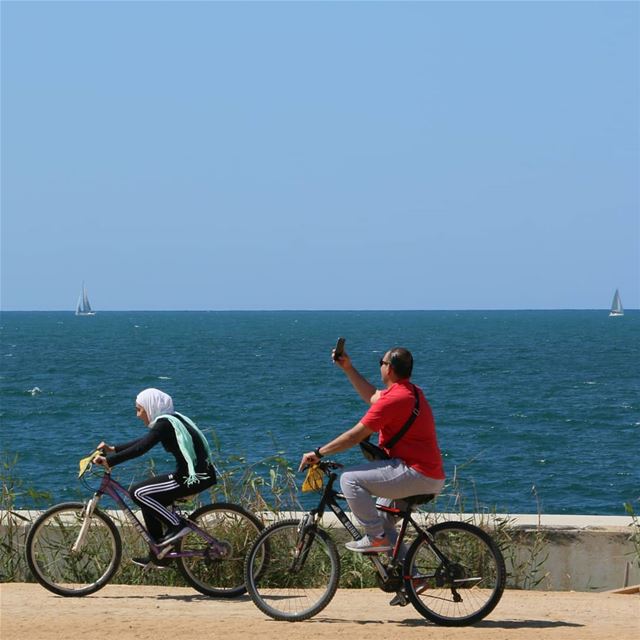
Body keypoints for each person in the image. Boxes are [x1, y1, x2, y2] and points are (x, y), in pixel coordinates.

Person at [299, 345, 445, 556]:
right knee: (382, 518)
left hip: (416, 473)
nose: (380, 367)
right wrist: (348, 368)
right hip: (428, 474)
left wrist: (319, 453)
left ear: (390, 369)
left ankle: (375, 539)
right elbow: (374, 396)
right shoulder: (411, 392)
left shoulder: (394, 399)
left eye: (381, 363)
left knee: (349, 479)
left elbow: (353, 436)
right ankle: (412, 579)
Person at [93, 388, 217, 568]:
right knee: (148, 496)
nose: (137, 415)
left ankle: (177, 526)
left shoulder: (165, 424)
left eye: (139, 409)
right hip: (197, 475)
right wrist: (113, 449)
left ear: (151, 407)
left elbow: (141, 448)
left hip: (191, 478)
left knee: (138, 492)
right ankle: (160, 555)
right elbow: (144, 441)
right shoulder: (170, 420)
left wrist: (109, 461)